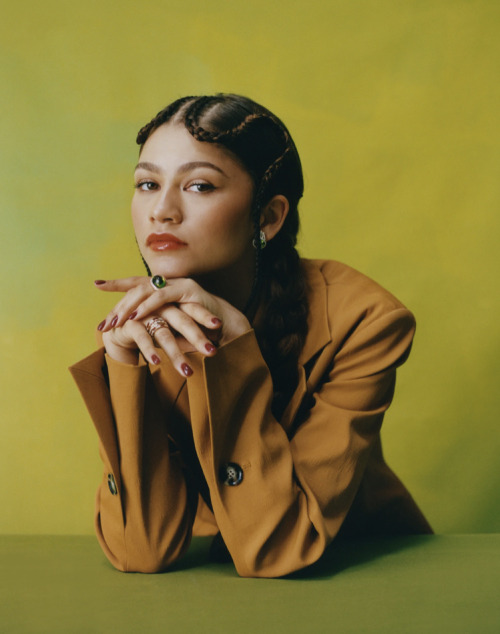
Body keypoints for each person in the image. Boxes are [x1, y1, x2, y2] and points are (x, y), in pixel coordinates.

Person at [69, 94, 432, 579]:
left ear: (268, 217)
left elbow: (280, 549)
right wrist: (122, 367)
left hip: (369, 575)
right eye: (147, 183)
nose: (162, 210)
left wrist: (234, 348)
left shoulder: (365, 321)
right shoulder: (141, 327)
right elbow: (141, 551)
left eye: (198, 185)